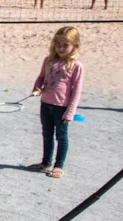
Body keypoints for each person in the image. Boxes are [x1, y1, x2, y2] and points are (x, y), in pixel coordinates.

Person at [28, 26, 84, 179]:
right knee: (47, 134)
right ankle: (45, 163)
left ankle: (58, 165)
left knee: (61, 137)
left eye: (65, 45)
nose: (60, 48)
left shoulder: (76, 65)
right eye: (58, 44)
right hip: (45, 104)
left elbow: (77, 91)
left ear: (75, 46)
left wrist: (70, 111)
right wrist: (37, 87)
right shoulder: (49, 61)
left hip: (62, 108)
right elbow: (41, 77)